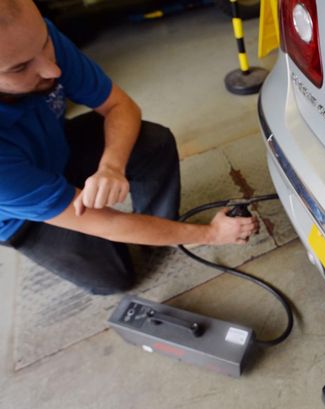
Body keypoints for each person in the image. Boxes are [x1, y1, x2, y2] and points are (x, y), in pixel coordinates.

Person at [0, 0, 259, 294]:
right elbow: (106, 223)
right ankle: (148, 235)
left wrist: (111, 166)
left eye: (45, 43)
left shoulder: (30, 40)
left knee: (153, 143)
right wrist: (211, 234)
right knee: (113, 278)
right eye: (20, 67)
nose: (52, 69)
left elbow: (120, 106)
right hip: (20, 216)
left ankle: (159, 231)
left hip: (54, 147)